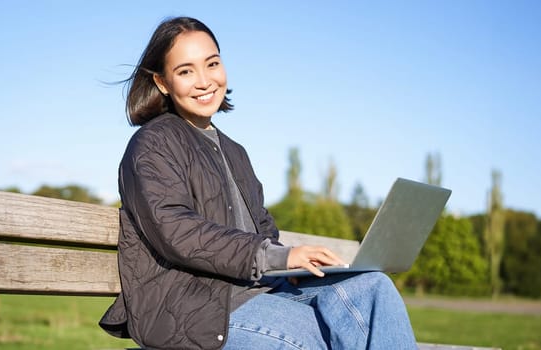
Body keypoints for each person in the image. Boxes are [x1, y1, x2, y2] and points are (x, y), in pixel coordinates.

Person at [99, 16, 418, 350]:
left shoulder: (235, 152)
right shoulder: (153, 144)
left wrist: (290, 264)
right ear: (162, 82)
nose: (205, 80)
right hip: (191, 307)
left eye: (212, 64)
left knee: (373, 287)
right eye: (186, 71)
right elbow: (177, 230)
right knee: (312, 335)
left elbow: (263, 228)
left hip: (259, 290)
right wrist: (275, 258)